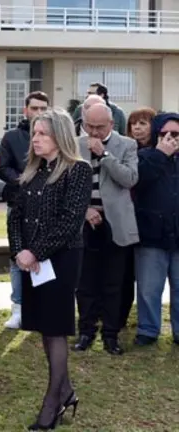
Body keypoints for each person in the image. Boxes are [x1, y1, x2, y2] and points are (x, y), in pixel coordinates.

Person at [7, 108, 92, 430]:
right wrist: (19, 252)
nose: (36, 139)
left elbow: (70, 222)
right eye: (34, 133)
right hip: (32, 262)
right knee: (45, 326)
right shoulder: (33, 172)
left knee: (56, 328)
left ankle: (53, 402)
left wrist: (35, 252)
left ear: (60, 136)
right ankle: (67, 390)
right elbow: (15, 217)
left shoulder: (77, 170)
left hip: (60, 259)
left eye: (43, 133)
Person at [72, 103, 139, 355]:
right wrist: (84, 209)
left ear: (111, 124)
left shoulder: (127, 145)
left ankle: (111, 334)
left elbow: (129, 179)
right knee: (85, 282)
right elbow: (67, 184)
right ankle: (86, 331)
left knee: (114, 282)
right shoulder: (75, 144)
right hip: (84, 222)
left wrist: (104, 155)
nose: (94, 131)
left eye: (100, 127)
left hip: (116, 224)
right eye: (89, 125)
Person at [0, 91, 50, 329]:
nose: (39, 113)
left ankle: (40, 306)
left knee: (44, 254)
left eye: (43, 108)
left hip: (47, 206)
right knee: (18, 256)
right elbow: (2, 168)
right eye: (35, 108)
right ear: (25, 110)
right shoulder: (12, 137)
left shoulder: (54, 136)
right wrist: (23, 180)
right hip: (18, 204)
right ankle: (18, 307)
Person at [132, 112, 179, 346]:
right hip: (151, 235)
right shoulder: (144, 156)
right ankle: (148, 330)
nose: (170, 138)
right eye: (164, 134)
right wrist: (161, 155)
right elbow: (138, 181)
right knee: (149, 289)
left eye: (176, 134)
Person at [120, 107, 156, 330]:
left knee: (146, 278)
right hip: (127, 217)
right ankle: (119, 315)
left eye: (143, 123)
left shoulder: (160, 153)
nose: (137, 128)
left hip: (148, 221)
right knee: (123, 273)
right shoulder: (125, 149)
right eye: (133, 124)